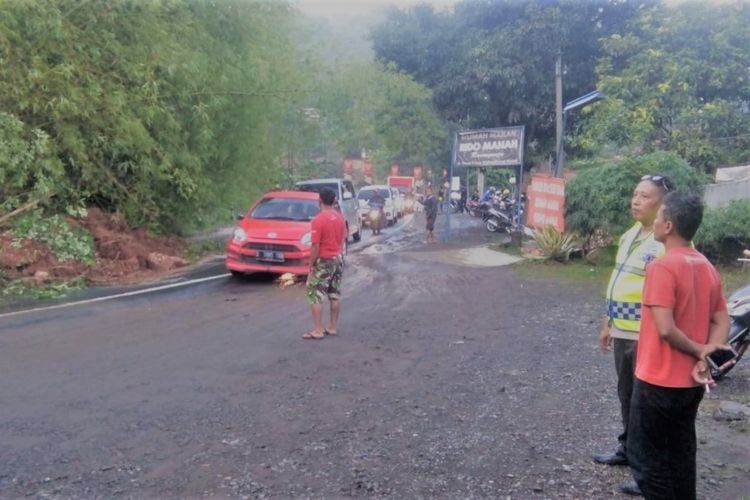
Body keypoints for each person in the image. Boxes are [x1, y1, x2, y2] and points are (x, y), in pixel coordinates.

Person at [627, 192, 730, 499]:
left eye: (658, 216)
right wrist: (705, 353)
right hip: (691, 383)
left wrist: (701, 352)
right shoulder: (706, 266)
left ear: (668, 226)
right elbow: (721, 319)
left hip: (657, 381)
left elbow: (666, 329)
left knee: (646, 459)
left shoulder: (662, 267)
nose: (654, 221)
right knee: (680, 453)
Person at [592, 173, 675, 496]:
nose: (635, 200)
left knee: (646, 404)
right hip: (623, 331)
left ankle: (649, 471)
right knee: (627, 395)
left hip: (648, 337)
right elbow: (619, 281)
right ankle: (629, 450)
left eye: (644, 196)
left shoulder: (670, 240)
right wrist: (607, 322)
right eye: (635, 194)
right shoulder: (631, 235)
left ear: (663, 204)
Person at [303, 187, 346, 340]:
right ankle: (332, 327)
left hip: (325, 260)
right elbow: (342, 239)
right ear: (334, 200)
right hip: (338, 258)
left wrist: (311, 263)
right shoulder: (340, 218)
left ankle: (318, 329)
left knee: (315, 294)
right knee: (334, 293)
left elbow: (315, 246)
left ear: (319, 200)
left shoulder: (318, 220)